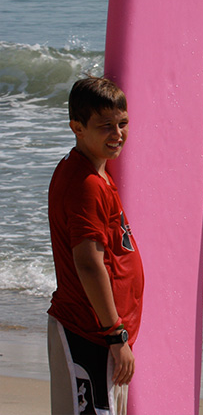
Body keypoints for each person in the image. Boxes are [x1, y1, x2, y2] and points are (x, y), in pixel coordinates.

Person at [48, 76, 144, 415]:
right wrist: (115, 336)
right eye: (105, 126)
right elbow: (88, 263)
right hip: (88, 333)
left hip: (100, 335)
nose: (117, 134)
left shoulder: (96, 172)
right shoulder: (85, 184)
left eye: (122, 123)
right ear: (77, 127)